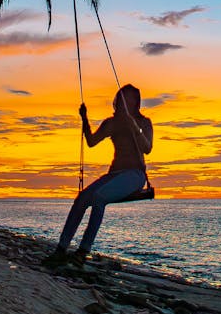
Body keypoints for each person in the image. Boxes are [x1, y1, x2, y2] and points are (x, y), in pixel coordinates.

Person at [45, 83, 153, 267]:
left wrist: (133, 125)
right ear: (118, 101)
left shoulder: (144, 122)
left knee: (98, 197)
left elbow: (147, 148)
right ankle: (61, 249)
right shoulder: (111, 123)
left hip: (135, 175)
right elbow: (91, 142)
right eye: (123, 98)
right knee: (81, 199)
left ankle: (82, 251)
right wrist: (85, 118)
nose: (126, 102)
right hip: (115, 174)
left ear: (136, 103)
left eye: (131, 99)